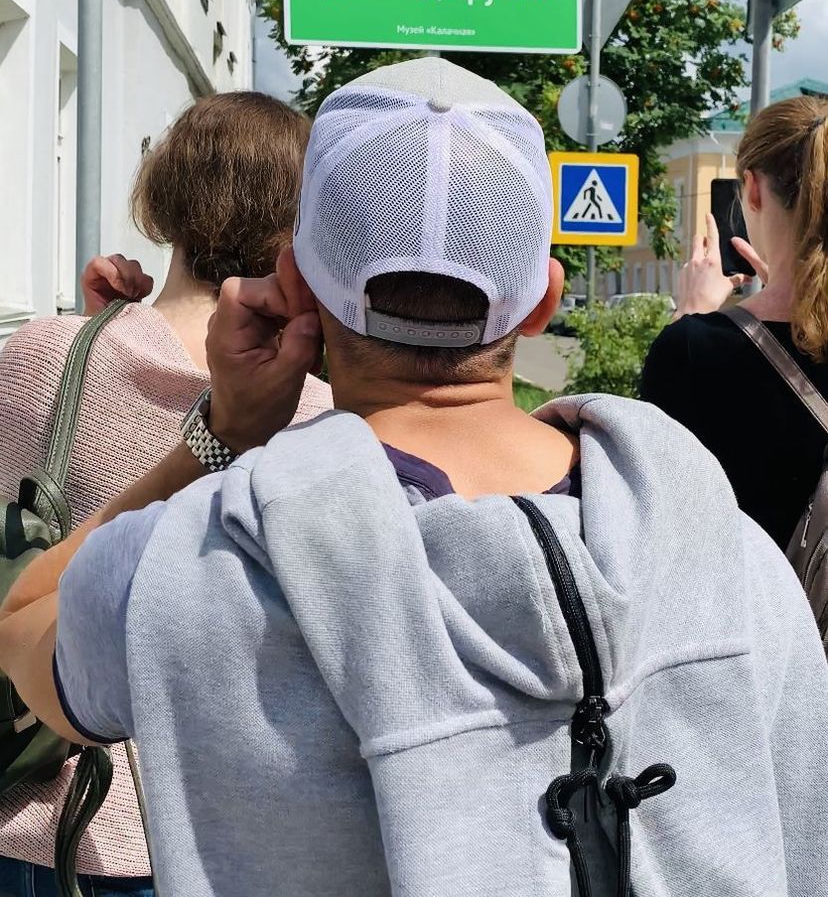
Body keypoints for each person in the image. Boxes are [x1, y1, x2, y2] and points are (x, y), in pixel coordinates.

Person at [0, 59, 826, 897]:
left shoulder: (195, 567)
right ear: (541, 301)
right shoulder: (739, 569)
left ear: (299, 285)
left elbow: (23, 624)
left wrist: (222, 433)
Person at [0, 91, 331, 897]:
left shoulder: (44, 354)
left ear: (166, 197)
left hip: (27, 818)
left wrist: (90, 337)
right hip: (214, 839)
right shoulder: (318, 420)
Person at [641, 96, 828, 550]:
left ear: (753, 189)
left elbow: (652, 510)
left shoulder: (695, 350)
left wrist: (692, 318)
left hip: (756, 619)